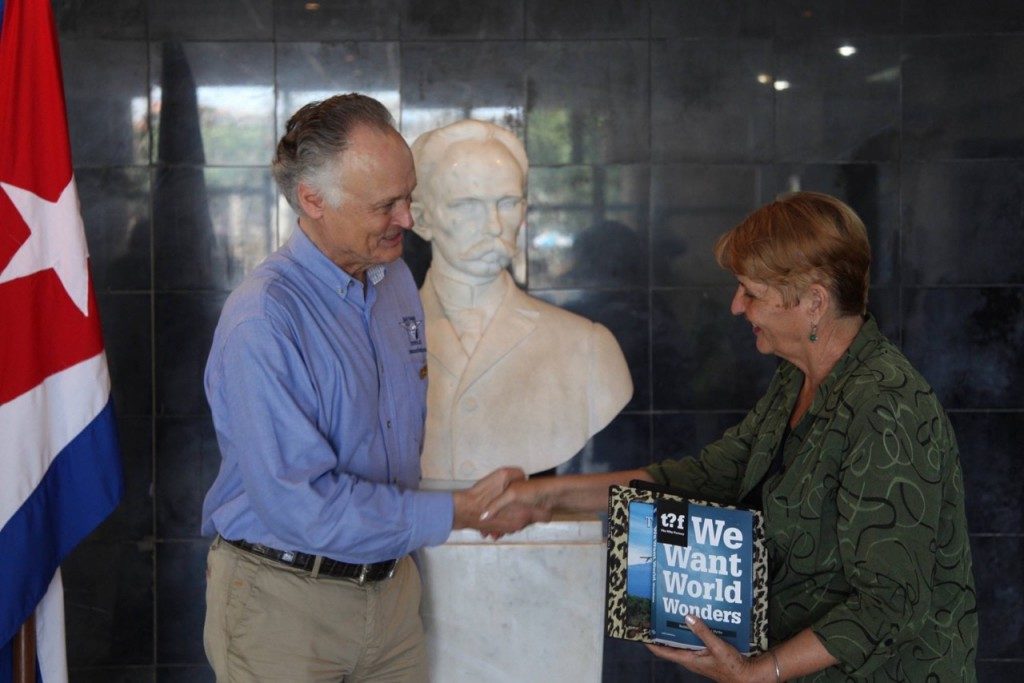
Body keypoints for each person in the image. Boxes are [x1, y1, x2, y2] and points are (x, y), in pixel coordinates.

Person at [484, 192, 978, 682]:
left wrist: (760, 671)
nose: (736, 306)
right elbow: (706, 477)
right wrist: (545, 495)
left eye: (752, 292)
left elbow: (890, 604)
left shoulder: (887, 407)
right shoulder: (798, 378)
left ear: (813, 303)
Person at [200, 94, 534, 682]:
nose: (407, 219)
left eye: (410, 196)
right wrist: (462, 511)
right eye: (387, 204)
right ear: (313, 200)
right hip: (285, 605)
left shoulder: (395, 280)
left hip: (391, 592)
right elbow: (302, 504)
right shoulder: (264, 319)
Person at [409, 119, 633, 485]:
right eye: (468, 205)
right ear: (421, 219)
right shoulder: (374, 341)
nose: (494, 225)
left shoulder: (589, 348)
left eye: (508, 203)